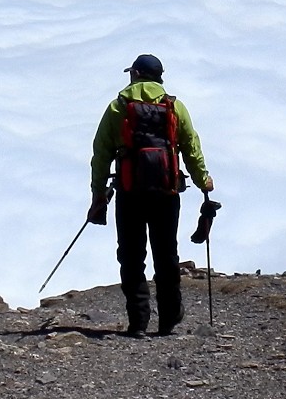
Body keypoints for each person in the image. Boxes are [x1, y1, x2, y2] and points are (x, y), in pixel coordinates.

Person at [89, 54, 214, 336]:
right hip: (167, 192)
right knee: (166, 254)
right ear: (159, 78)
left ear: (135, 74)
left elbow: (101, 154)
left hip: (129, 191)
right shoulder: (174, 107)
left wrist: (98, 195)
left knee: (132, 256)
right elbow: (191, 148)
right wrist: (203, 180)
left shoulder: (117, 107)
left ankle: (138, 321)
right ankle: (169, 317)